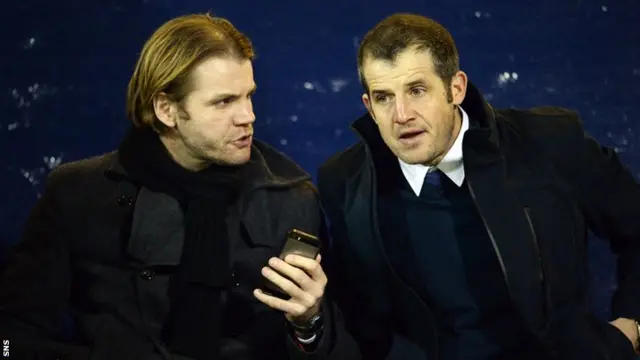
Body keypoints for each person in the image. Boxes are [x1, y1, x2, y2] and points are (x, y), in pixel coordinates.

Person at [0, 13, 357, 360]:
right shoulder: (78, 194)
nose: (247, 115)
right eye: (224, 101)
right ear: (166, 110)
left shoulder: (291, 197)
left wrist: (308, 324)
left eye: (248, 95)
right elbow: (11, 339)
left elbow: (343, 350)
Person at [317, 12, 640, 360]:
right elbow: (357, 316)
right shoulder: (346, 183)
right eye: (383, 97)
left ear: (455, 88)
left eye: (417, 90)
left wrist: (632, 326)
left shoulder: (550, 143)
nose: (401, 114)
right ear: (369, 106)